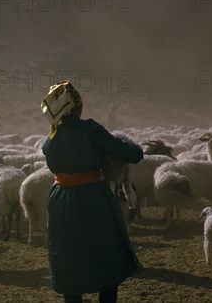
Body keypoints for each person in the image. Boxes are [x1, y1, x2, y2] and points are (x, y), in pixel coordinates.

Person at [41, 81, 144, 303]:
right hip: (92, 199)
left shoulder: (50, 138)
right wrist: (136, 148)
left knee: (69, 259)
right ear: (75, 106)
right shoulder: (90, 130)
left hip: (60, 201)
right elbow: (131, 154)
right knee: (106, 255)